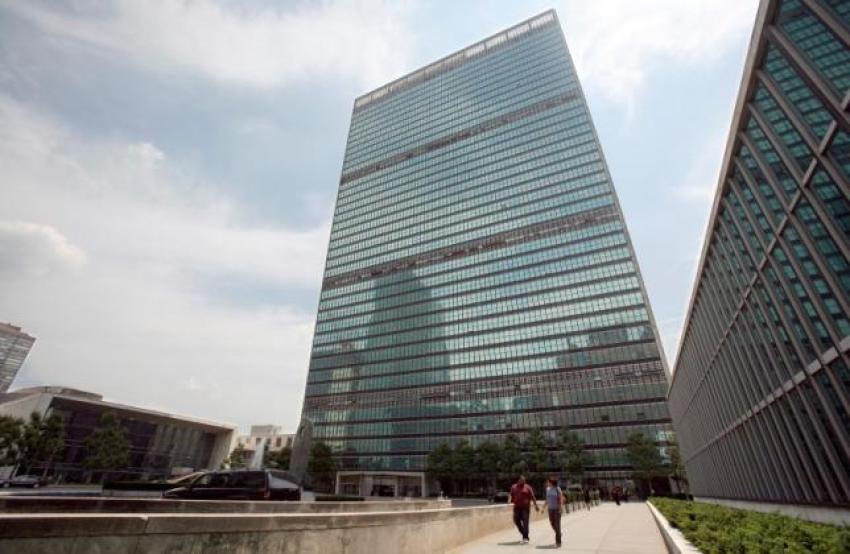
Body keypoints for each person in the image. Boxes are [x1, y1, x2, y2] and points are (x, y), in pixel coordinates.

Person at [510, 475, 539, 544]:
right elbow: (511, 494)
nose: (523, 482)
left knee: (525, 522)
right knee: (516, 520)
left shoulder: (528, 487)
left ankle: (525, 537)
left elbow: (532, 496)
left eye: (524, 480)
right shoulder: (514, 487)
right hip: (516, 507)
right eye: (522, 480)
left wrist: (536, 505)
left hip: (525, 508)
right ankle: (524, 533)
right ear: (519, 480)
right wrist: (509, 500)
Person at [545, 477, 564, 548]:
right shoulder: (547, 489)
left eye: (548, 482)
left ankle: (558, 542)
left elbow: (561, 498)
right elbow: (547, 499)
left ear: (551, 482)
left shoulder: (557, 489)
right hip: (550, 509)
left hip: (557, 509)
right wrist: (544, 507)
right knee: (552, 523)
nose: (547, 483)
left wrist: (561, 508)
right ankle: (558, 533)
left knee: (557, 525)